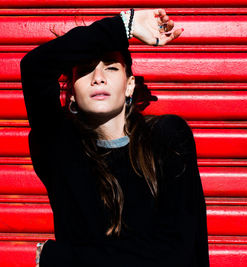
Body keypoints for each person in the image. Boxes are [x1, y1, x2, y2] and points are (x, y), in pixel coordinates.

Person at [19, 8, 210, 267]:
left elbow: (178, 255)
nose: (98, 78)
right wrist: (124, 25)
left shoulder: (167, 139)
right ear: (72, 92)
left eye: (110, 67)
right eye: (86, 70)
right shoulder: (60, 149)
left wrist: (58, 258)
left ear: (129, 84)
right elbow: (34, 68)